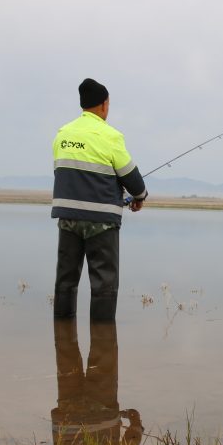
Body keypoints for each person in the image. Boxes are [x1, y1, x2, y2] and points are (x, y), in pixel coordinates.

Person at [51, 78, 148, 321]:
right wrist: (139, 197)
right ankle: (102, 338)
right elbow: (132, 178)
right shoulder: (110, 136)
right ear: (104, 105)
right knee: (104, 284)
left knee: (66, 280)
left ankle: (62, 332)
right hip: (101, 224)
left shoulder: (62, 135)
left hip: (68, 219)